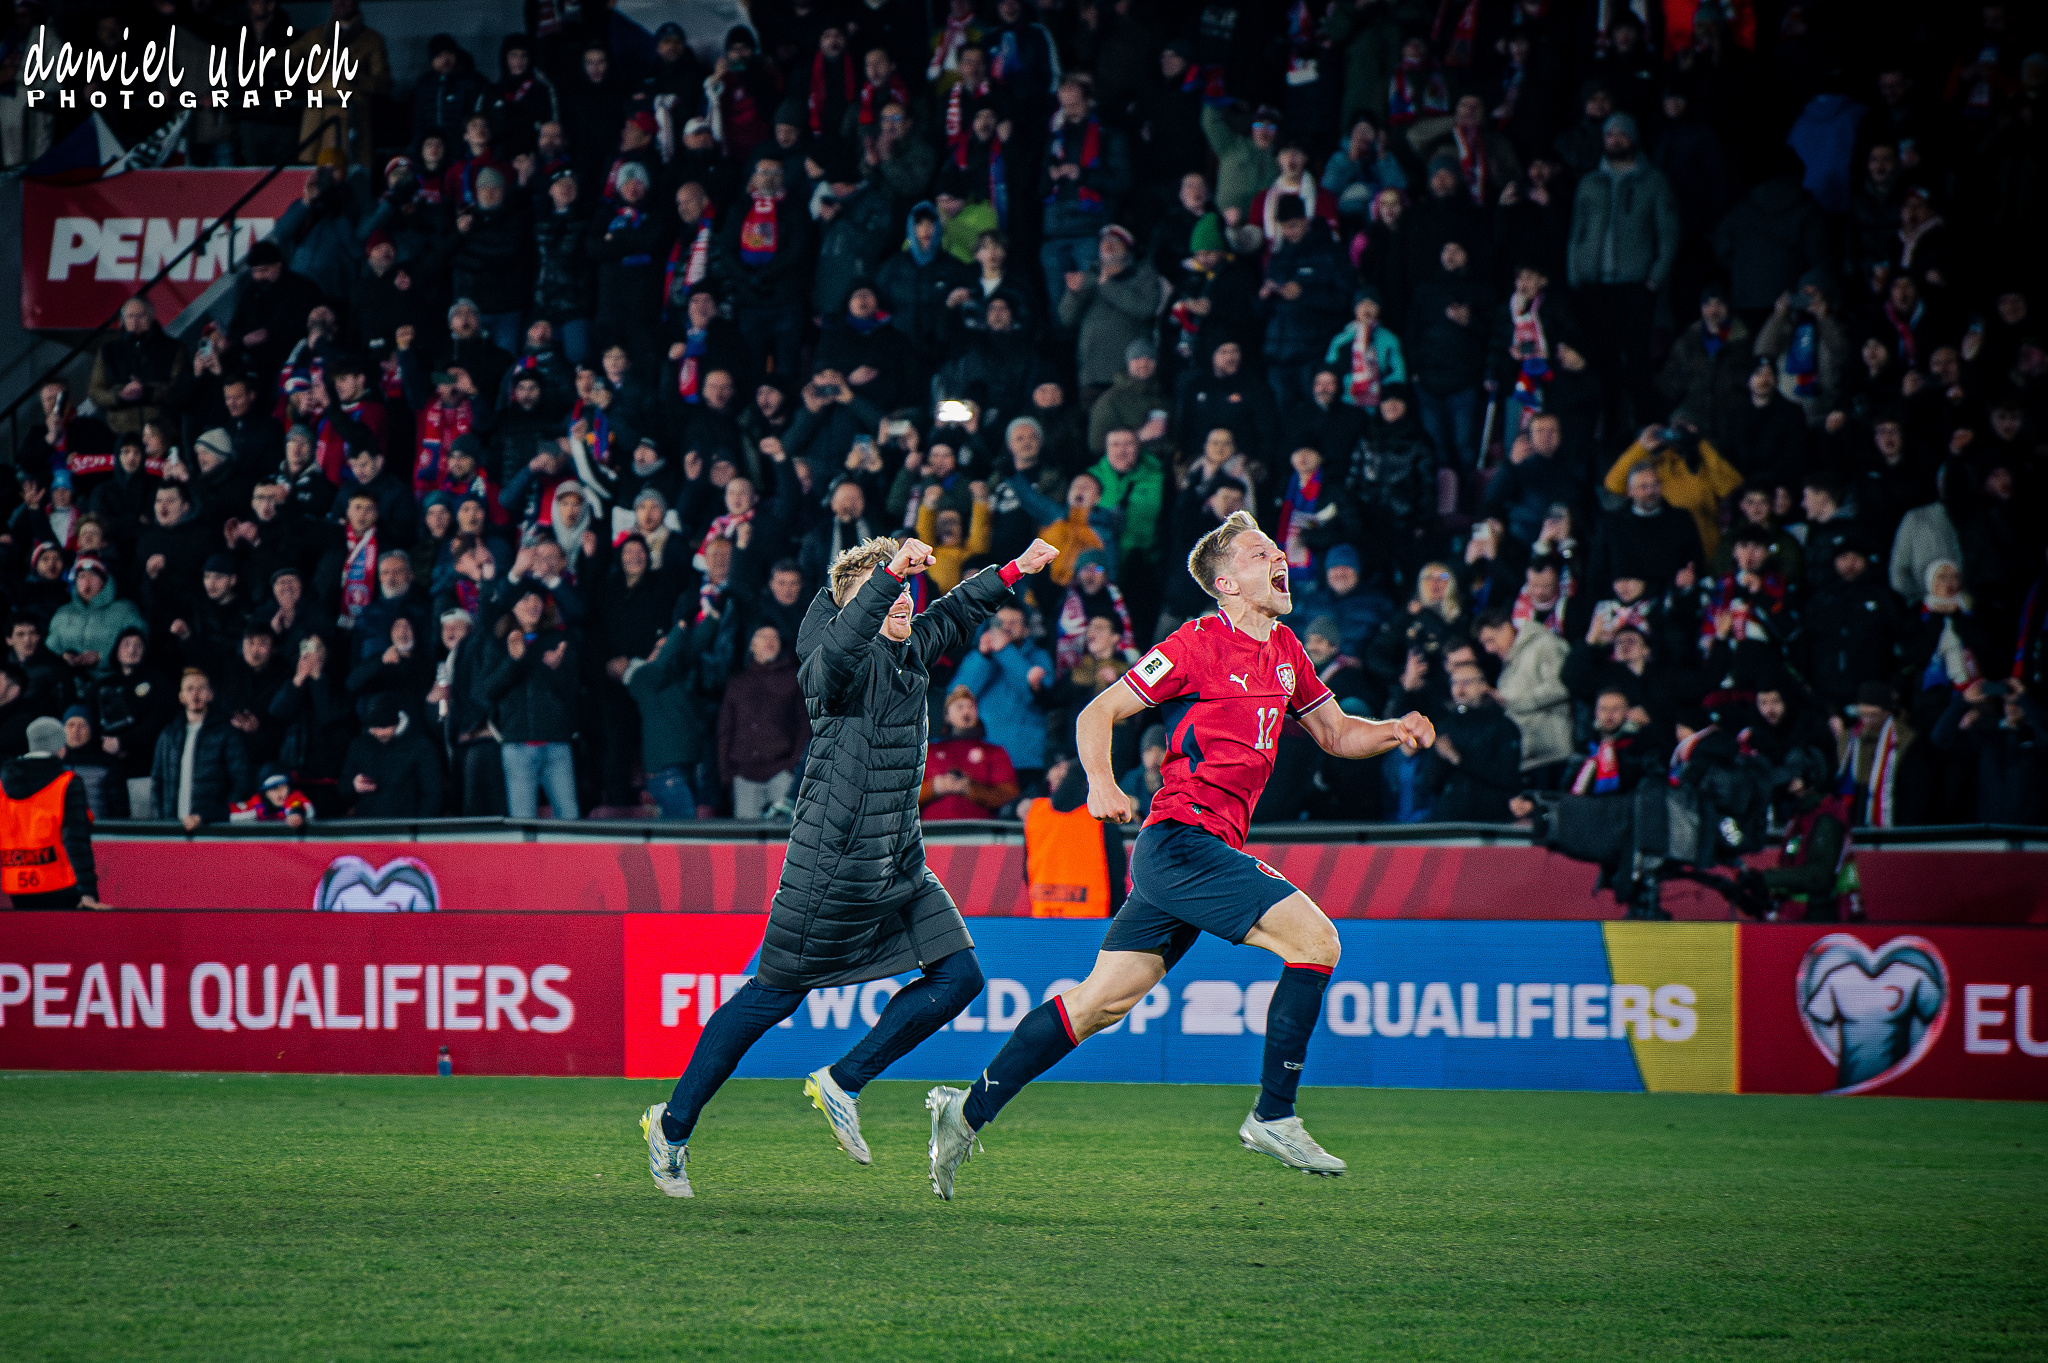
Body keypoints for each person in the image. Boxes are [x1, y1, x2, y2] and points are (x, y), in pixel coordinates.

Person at [928, 511, 1435, 1198]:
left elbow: (1337, 733)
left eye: (1277, 550)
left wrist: (1394, 729)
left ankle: (965, 1111)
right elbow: (1096, 712)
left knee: (1098, 1002)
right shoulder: (1195, 643)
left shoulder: (1286, 648)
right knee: (1317, 940)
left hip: (1198, 851)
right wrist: (1101, 782)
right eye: (1260, 553)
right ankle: (1273, 1114)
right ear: (1227, 583)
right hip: (1180, 840)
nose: (1278, 559)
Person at [640, 532, 1060, 1199]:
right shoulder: (832, 667)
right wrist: (889, 573)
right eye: (885, 592)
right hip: (830, 864)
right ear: (854, 607)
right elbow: (839, 646)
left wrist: (1015, 569)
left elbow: (955, 610)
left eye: (904, 589)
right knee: (769, 998)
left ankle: (843, 1079)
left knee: (960, 976)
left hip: (899, 859)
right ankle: (671, 1126)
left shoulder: (909, 646)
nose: (902, 599)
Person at [1, 716, 104, 909]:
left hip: (15, 885)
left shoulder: (3, 785)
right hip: (60, 884)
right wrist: (88, 891)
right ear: (61, 748)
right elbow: (76, 841)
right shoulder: (67, 783)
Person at [149, 669, 255, 831]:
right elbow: (157, 781)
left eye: (201, 688)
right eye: (189, 688)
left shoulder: (227, 734)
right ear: (181, 697)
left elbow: (242, 780)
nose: (195, 693)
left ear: (211, 695)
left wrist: (220, 814)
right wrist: (161, 820)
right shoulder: (168, 735)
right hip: (173, 825)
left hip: (211, 828)